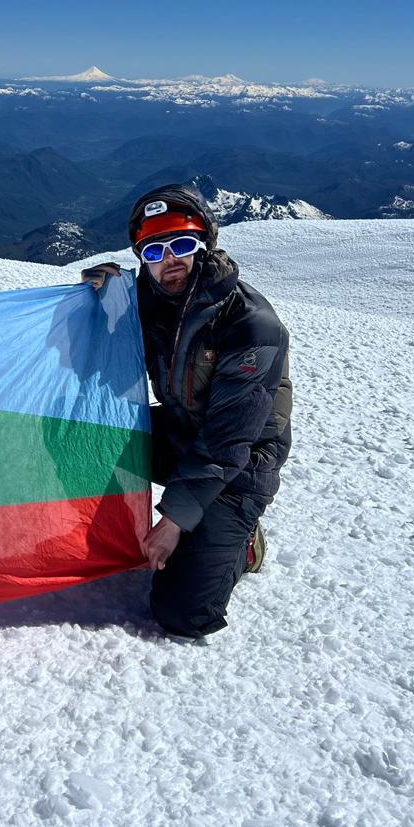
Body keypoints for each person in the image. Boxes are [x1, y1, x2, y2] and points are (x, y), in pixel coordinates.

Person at [82, 183, 293, 642]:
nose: (169, 260)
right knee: (81, 437)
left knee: (183, 613)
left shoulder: (250, 324)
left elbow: (228, 440)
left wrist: (173, 520)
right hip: (182, 436)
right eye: (154, 250)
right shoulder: (148, 299)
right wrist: (97, 299)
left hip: (240, 465)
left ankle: (245, 544)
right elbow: (103, 364)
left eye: (181, 244)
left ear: (205, 246)